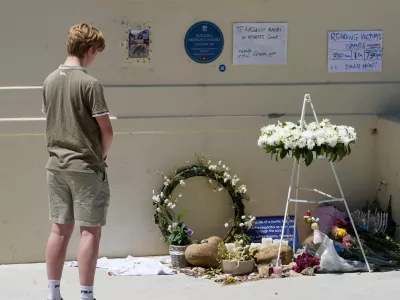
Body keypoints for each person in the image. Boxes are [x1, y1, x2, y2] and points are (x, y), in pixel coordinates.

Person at [42, 23, 113, 300]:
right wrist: (101, 156)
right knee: (90, 232)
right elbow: (106, 131)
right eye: (96, 53)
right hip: (85, 167)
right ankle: (85, 295)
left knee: (58, 230)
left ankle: (53, 294)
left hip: (56, 166)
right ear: (90, 49)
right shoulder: (90, 83)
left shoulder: (49, 80)